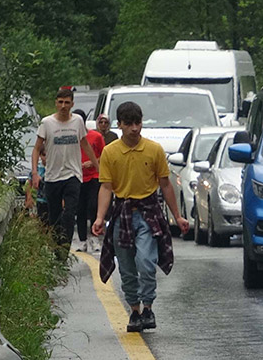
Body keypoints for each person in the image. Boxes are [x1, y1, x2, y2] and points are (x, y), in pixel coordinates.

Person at [93, 101, 190, 332]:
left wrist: (177, 216)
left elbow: (165, 184)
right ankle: (135, 311)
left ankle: (148, 307)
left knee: (146, 262)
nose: (134, 129)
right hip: (122, 213)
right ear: (120, 125)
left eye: (138, 123)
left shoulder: (154, 149)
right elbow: (106, 187)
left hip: (148, 213)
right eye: (129, 124)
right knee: (126, 267)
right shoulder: (110, 152)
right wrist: (99, 218)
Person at [32, 88, 99, 253]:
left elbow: (85, 144)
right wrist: (35, 173)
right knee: (54, 216)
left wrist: (99, 168)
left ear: (72, 104)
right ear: (56, 103)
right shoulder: (47, 123)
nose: (63, 106)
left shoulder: (77, 121)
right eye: (60, 102)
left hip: (73, 175)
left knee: (69, 213)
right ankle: (56, 248)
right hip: (53, 176)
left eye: (67, 103)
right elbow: (36, 149)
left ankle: (64, 250)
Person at [74, 109, 106, 252]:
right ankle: (82, 240)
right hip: (77, 176)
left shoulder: (96, 136)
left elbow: (104, 155)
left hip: (94, 176)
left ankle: (95, 237)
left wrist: (92, 162)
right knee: (80, 209)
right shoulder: (70, 138)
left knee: (93, 206)